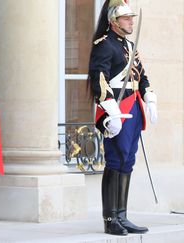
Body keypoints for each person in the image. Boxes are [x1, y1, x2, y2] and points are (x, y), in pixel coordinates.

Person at [88, 0, 158, 236]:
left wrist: (150, 98)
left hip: (134, 106)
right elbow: (100, 81)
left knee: (128, 160)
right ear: (114, 22)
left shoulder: (130, 45)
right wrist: (112, 112)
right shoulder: (104, 45)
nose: (130, 22)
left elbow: (142, 76)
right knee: (116, 161)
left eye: (131, 18)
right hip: (118, 107)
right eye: (126, 19)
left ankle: (122, 215)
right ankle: (110, 219)